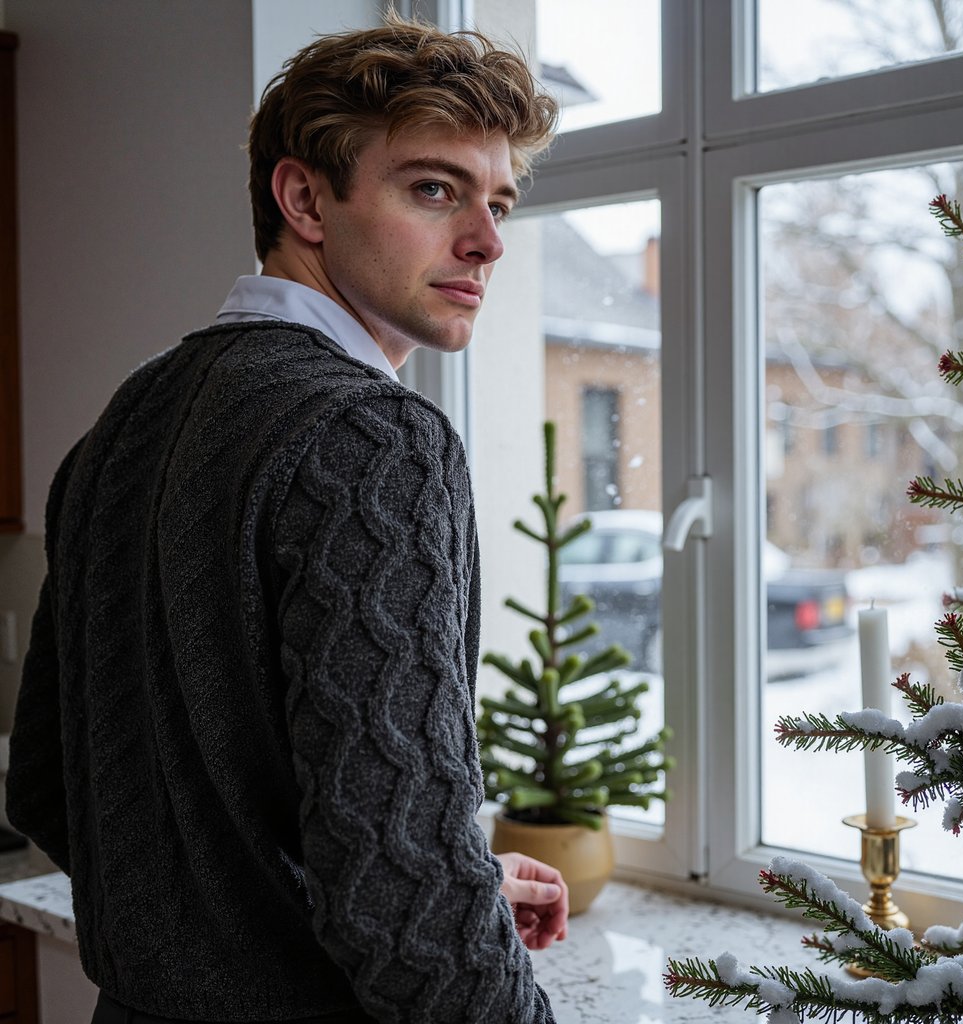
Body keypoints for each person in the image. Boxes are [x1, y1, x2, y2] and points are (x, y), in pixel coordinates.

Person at [6, 13, 565, 1024]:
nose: (485, 241)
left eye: (499, 201)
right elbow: (402, 906)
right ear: (304, 196)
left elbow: (49, 786)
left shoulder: (125, 418)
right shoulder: (373, 434)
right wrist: (440, 901)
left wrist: (454, 878)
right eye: (434, 189)